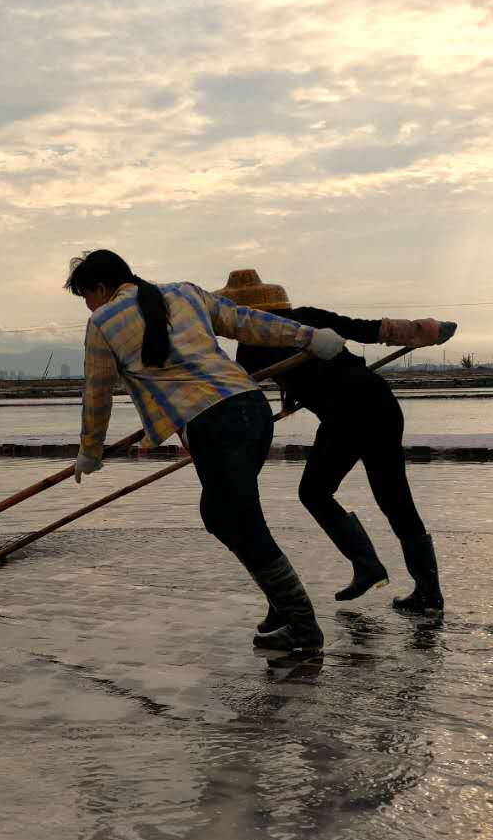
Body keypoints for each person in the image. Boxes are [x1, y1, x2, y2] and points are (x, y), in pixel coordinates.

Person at [68, 249, 349, 652]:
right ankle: (283, 608)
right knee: (222, 515)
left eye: (86, 296)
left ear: (100, 287)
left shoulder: (102, 322)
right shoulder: (185, 293)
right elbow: (247, 322)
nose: (89, 305)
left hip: (216, 426)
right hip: (252, 411)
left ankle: (302, 625)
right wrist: (308, 337)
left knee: (240, 522)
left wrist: (90, 451)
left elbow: (97, 392)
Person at [217, 269, 456, 618]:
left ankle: (368, 567)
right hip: (378, 401)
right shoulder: (309, 318)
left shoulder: (252, 345)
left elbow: (236, 394)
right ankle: (428, 593)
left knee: (314, 492)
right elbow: (370, 329)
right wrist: (424, 331)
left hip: (346, 414)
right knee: (394, 498)